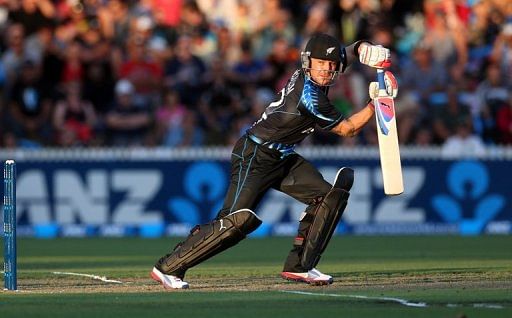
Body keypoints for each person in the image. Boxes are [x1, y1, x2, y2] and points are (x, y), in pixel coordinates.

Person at [151, 33, 396, 289]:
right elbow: (348, 130)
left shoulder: (316, 72)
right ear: (308, 62)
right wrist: (375, 103)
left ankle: (300, 266)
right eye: (321, 63)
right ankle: (167, 267)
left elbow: (346, 51)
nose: (326, 69)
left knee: (328, 197)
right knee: (235, 222)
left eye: (332, 65)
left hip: (282, 155)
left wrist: (365, 48)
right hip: (255, 154)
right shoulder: (310, 96)